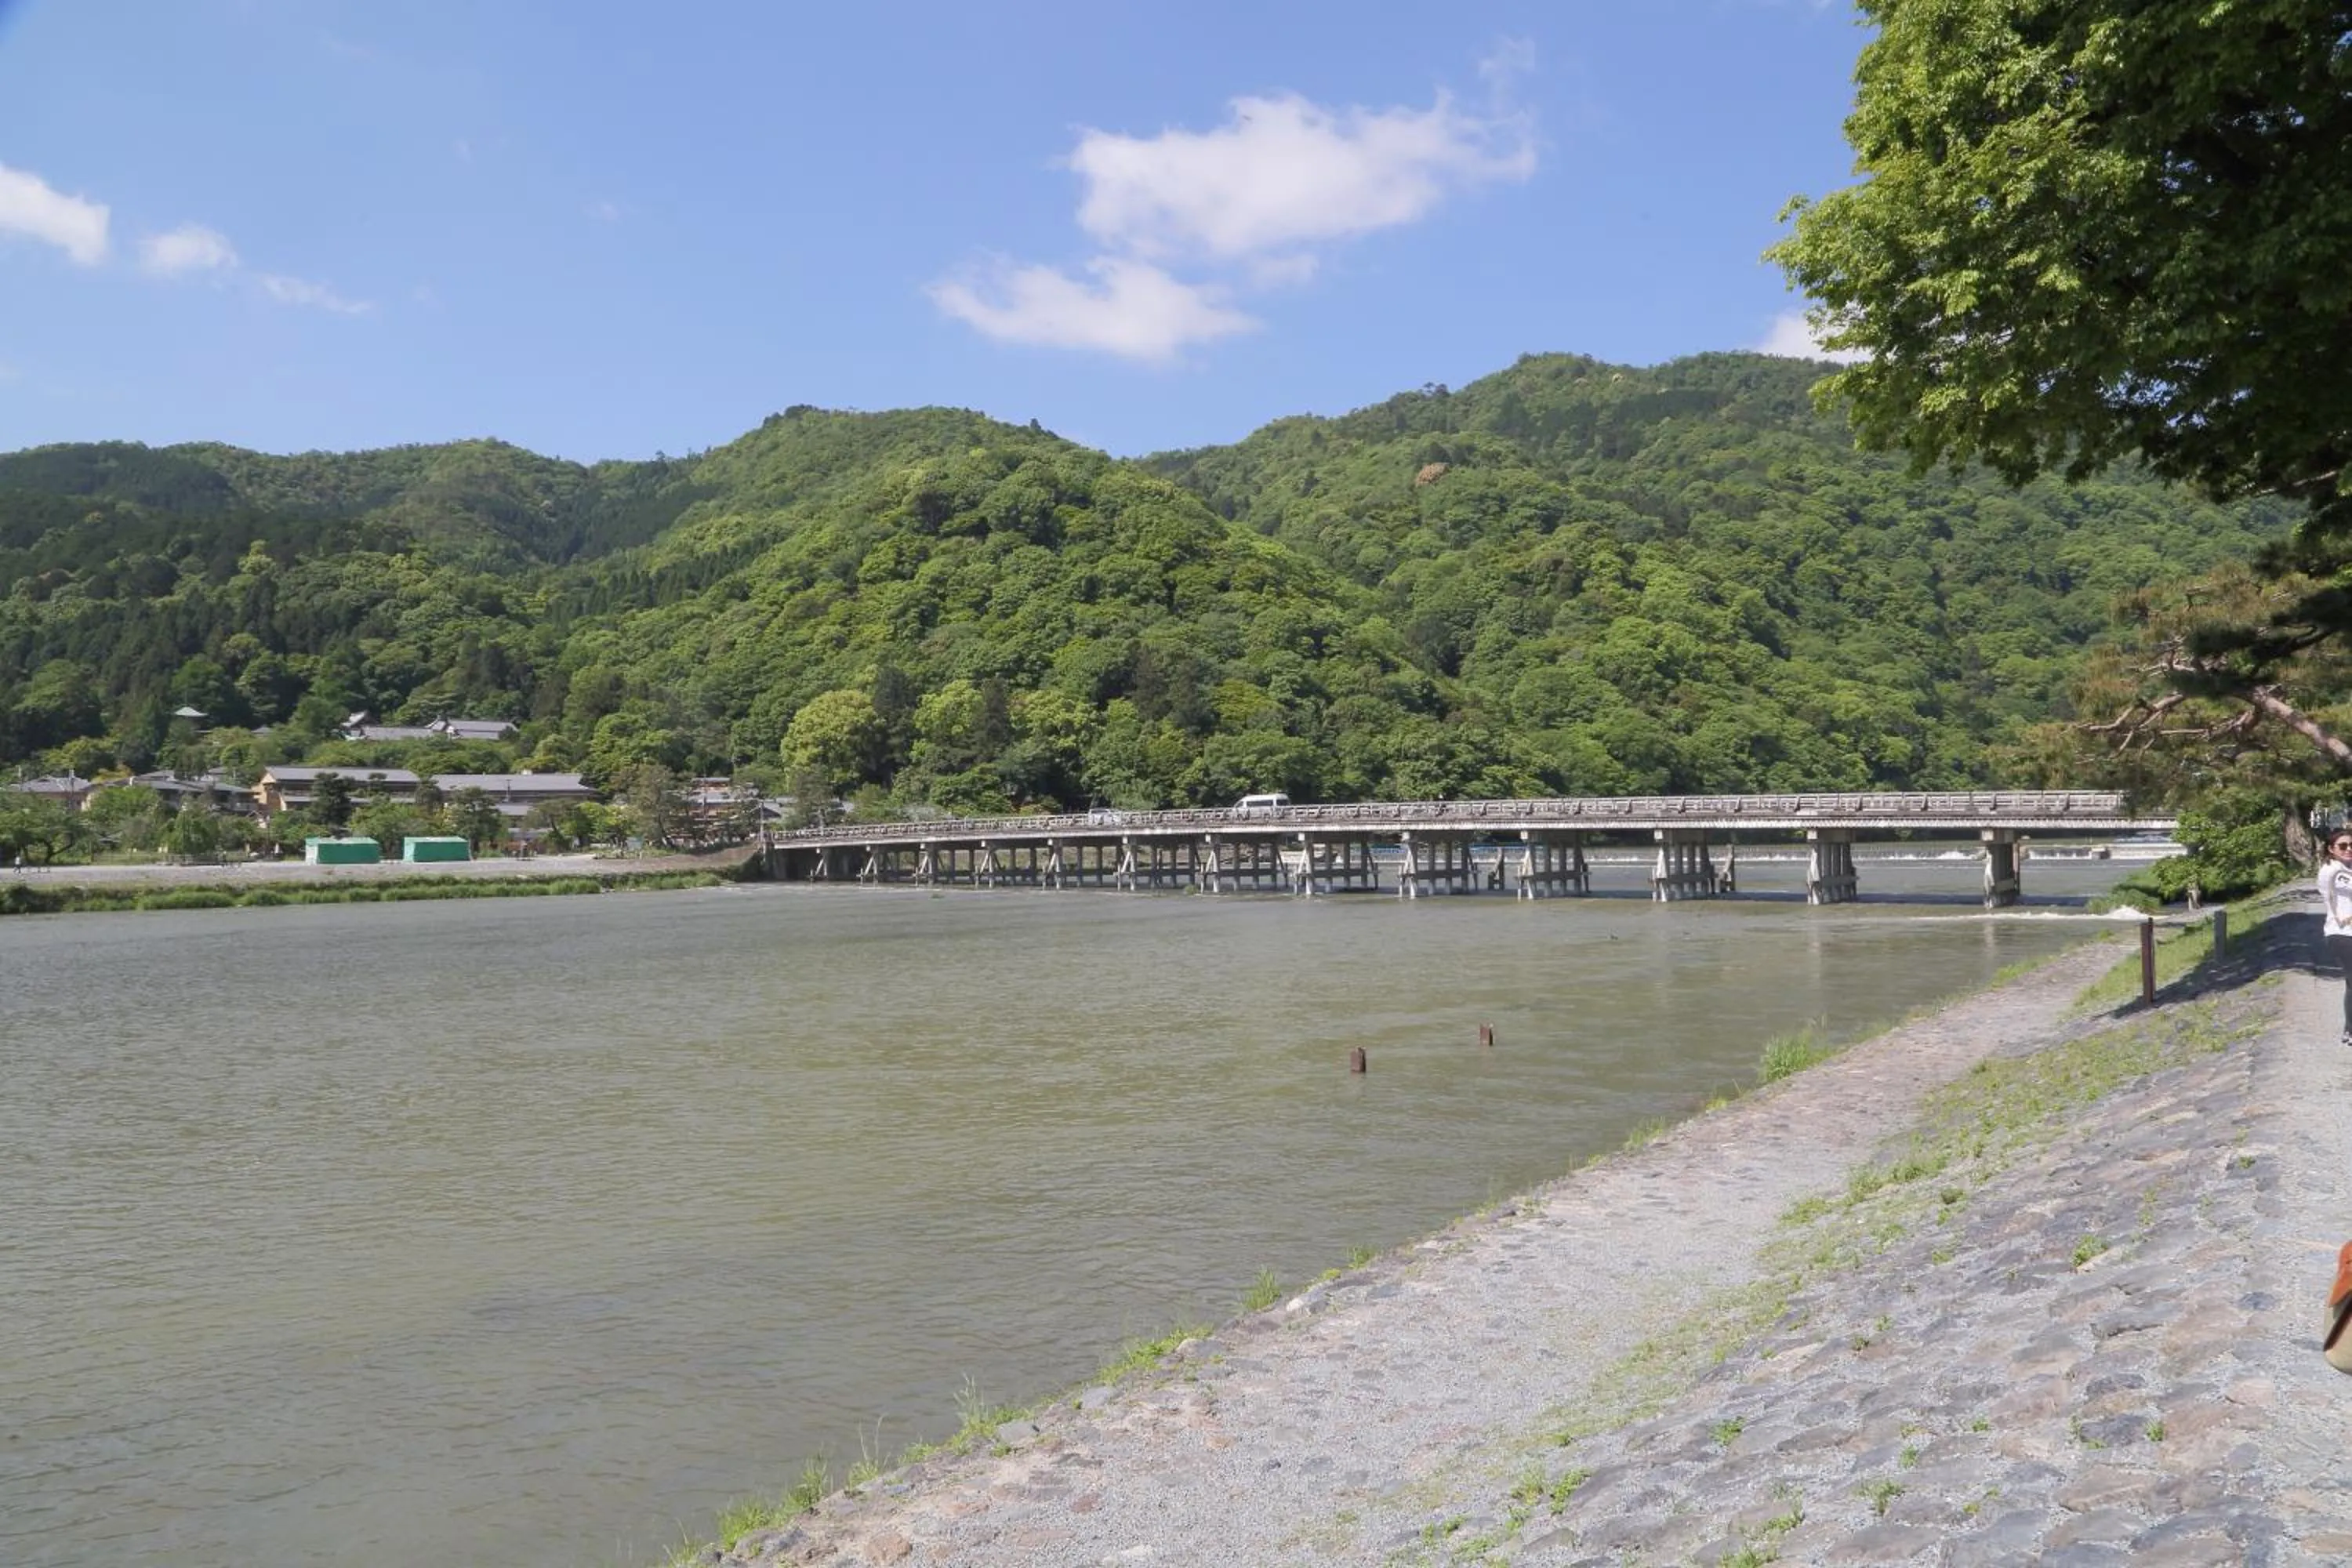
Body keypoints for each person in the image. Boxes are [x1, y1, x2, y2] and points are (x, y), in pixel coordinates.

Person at [2321, 831, 2352, 1046]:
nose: (2348, 849)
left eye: (2351, 845)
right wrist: (2341, 917)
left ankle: (2348, 1028)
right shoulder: (2331, 870)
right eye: (2342, 846)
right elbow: (2329, 897)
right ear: (2331, 849)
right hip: (2340, 933)